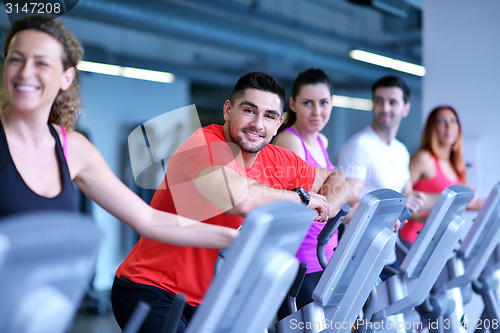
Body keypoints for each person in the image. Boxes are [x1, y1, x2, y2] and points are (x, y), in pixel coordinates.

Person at [112, 72, 353, 332]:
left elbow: (339, 179)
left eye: (269, 116)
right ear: (228, 110)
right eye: (249, 110)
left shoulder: (279, 159)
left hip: (212, 299)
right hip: (152, 289)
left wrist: (326, 207)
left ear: (278, 124)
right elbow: (242, 199)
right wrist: (303, 199)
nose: (258, 124)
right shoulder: (203, 146)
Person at [0, 16, 238, 245]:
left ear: (66, 77)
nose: (25, 72)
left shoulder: (72, 147)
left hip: (55, 287)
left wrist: (233, 238)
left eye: (41, 63)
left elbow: (148, 219)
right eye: (16, 59)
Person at [337, 75, 426, 278]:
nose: (385, 108)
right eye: (379, 101)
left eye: (392, 102)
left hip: (388, 253)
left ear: (406, 108)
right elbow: (347, 201)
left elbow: (407, 195)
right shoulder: (360, 145)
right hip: (359, 256)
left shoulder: (401, 150)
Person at [273, 68, 337, 319]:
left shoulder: (321, 142)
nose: (317, 111)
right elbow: (314, 202)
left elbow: (332, 197)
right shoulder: (291, 142)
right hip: (302, 260)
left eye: (323, 103)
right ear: (293, 104)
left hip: (325, 256)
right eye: (308, 103)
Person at [399, 106, 484, 246]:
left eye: (453, 121)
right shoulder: (424, 159)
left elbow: (458, 204)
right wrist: (423, 218)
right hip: (412, 240)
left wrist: (472, 197)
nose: (449, 126)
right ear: (432, 128)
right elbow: (402, 199)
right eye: (441, 121)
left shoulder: (456, 166)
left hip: (437, 242)